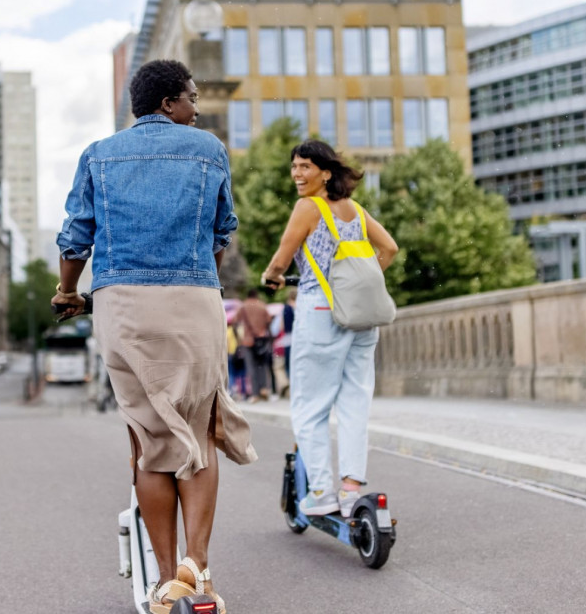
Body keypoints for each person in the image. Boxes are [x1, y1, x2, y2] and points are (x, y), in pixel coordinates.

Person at [53, 59, 256, 614]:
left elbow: (75, 240)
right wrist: (195, 271)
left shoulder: (98, 154)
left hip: (123, 306)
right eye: (191, 97)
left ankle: (168, 583)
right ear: (169, 103)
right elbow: (223, 233)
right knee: (200, 426)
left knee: (148, 440)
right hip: (194, 301)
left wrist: (70, 293)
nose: (197, 107)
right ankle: (200, 568)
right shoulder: (208, 150)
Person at [261, 140, 398, 518]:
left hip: (321, 312)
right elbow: (388, 249)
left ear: (325, 172)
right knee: (355, 402)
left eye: (305, 166)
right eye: (294, 167)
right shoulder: (354, 209)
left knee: (310, 406)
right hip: (360, 316)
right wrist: (355, 287)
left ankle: (321, 490)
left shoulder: (309, 208)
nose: (297, 174)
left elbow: (281, 259)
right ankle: (351, 489)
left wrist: (271, 277)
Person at [232, 289, 273, 402]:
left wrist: (238, 339)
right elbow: (269, 322)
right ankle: (264, 388)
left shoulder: (243, 306)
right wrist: (269, 337)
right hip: (262, 340)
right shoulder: (262, 305)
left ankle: (255, 394)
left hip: (247, 341)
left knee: (251, 367)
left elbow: (235, 323)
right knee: (263, 365)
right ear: (257, 295)